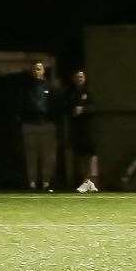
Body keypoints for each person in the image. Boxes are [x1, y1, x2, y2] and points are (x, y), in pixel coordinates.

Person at [18, 61, 58, 191]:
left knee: (47, 156)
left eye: (39, 69)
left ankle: (46, 183)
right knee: (31, 156)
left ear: (43, 71)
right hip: (30, 125)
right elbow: (22, 105)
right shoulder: (27, 88)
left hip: (46, 124)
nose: (37, 71)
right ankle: (32, 183)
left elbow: (56, 105)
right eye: (35, 69)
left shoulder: (50, 87)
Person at [66, 69, 98, 193]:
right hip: (76, 129)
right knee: (79, 156)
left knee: (89, 155)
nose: (79, 78)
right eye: (77, 76)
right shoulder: (71, 93)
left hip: (88, 129)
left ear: (85, 78)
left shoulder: (89, 92)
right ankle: (86, 182)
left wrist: (83, 109)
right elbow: (66, 108)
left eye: (81, 76)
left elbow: (94, 107)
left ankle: (88, 181)